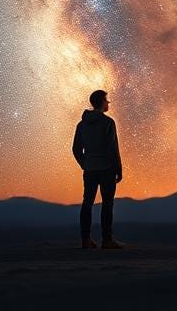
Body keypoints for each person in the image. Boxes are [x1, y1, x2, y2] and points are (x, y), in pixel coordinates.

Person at [72, 89, 124, 249]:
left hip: (90, 170)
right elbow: (112, 148)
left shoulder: (81, 124)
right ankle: (107, 240)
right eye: (107, 100)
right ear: (101, 102)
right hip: (107, 168)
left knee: (87, 203)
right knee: (107, 204)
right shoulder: (108, 123)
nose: (108, 103)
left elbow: (76, 149)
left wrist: (85, 163)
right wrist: (118, 168)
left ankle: (85, 239)